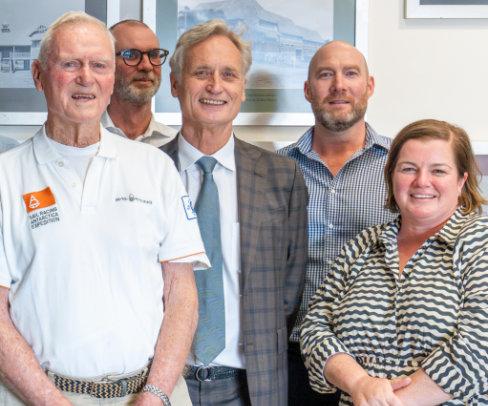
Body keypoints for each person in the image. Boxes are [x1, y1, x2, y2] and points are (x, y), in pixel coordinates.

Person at [0, 11, 208, 406]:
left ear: (112, 79)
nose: (86, 77)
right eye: (70, 64)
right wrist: (51, 401)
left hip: (152, 392)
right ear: (39, 75)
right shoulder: (6, 176)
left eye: (99, 65)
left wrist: (156, 393)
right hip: (36, 395)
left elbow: (181, 293)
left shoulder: (155, 168)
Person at [161, 19, 308, 406]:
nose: (215, 86)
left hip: (249, 388)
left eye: (228, 74)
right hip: (161, 384)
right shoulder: (145, 172)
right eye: (201, 73)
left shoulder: (281, 176)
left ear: (242, 88)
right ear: (175, 84)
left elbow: (288, 292)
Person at [301, 119, 488, 405]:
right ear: (391, 176)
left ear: (461, 180)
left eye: (438, 170)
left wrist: (390, 403)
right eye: (408, 169)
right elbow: (314, 327)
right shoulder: (363, 245)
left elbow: (479, 348)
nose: (421, 181)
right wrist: (359, 383)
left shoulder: (480, 243)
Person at [278, 40, 396, 405]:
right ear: (307, 89)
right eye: (326, 74)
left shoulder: (402, 167)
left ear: (369, 86)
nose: (339, 85)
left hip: (379, 362)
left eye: (351, 73)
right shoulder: (275, 169)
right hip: (292, 358)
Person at [102, 19, 177, 147]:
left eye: (154, 54)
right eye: (131, 55)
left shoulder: (175, 145)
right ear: (107, 63)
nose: (147, 66)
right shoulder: (84, 138)